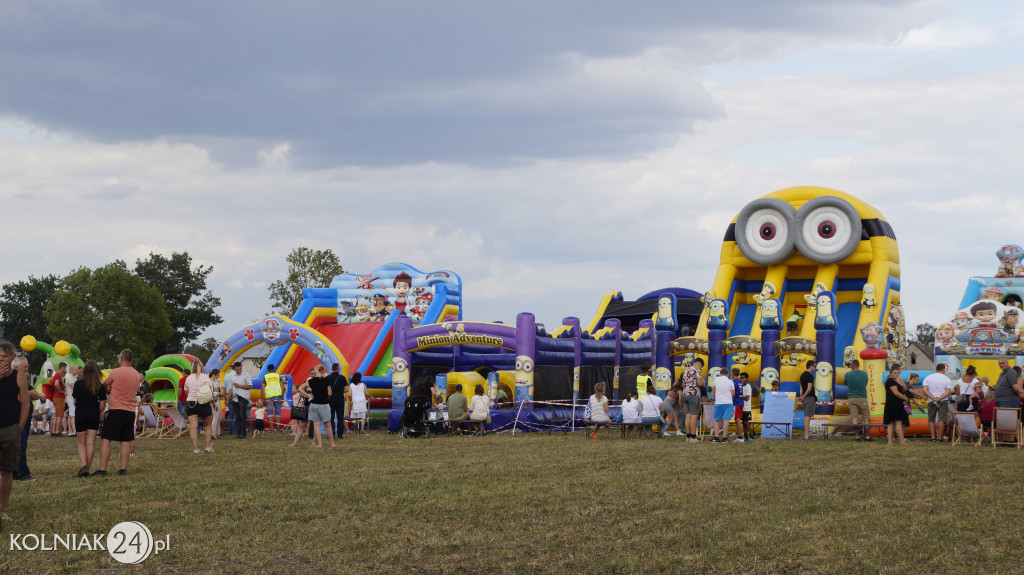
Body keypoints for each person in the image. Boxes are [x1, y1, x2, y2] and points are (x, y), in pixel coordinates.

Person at [95, 349, 141, 476]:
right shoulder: (137, 374)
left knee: (106, 438)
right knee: (125, 440)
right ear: (131, 359)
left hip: (116, 409)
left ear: (121, 358)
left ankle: (103, 469)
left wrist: (109, 388)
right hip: (130, 410)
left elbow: (105, 385)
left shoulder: (115, 372)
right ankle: (123, 469)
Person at [0, 341, 31, 522]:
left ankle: (2, 510)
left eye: (4, 357)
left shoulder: (19, 376)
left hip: (10, 428)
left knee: (7, 472)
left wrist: (19, 427)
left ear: (12, 358)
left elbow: (25, 403)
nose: (1, 360)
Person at [72, 360, 107, 477]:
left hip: (81, 413)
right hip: (93, 414)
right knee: (91, 443)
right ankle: (87, 468)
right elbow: (103, 404)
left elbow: (75, 401)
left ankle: (83, 467)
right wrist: (97, 412)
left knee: (81, 443)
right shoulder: (99, 385)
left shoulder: (78, 383)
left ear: (85, 370)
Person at [182, 360, 215, 454]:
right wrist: (214, 403)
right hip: (203, 402)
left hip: (191, 403)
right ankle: (208, 447)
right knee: (208, 425)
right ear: (201, 367)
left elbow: (186, 392)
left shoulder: (188, 378)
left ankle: (195, 449)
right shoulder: (205, 377)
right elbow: (209, 392)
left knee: (193, 426)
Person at [302, 365, 337, 448]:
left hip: (314, 404)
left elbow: (300, 388)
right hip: (324, 404)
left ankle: (319, 444)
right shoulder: (326, 380)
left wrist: (307, 395)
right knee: (328, 424)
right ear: (322, 371)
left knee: (316, 425)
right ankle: (332, 443)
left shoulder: (311, 381)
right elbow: (330, 393)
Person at [923, 363, 953, 442]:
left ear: (936, 369)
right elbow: (947, 391)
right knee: (942, 419)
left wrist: (933, 397)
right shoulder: (946, 379)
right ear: (944, 370)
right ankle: (940, 438)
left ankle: (933, 437)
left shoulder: (928, 378)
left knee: (931, 419)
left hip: (931, 400)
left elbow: (925, 389)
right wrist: (939, 398)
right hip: (943, 400)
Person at [845, 360, 871, 441]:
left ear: (853, 365)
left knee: (854, 418)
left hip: (852, 398)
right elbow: (866, 383)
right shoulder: (864, 373)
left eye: (850, 365)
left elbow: (846, 383)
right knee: (866, 418)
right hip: (862, 397)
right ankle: (867, 436)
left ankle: (857, 436)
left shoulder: (848, 374)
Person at [883, 366, 910, 445]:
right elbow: (896, 393)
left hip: (891, 404)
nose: (896, 374)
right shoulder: (891, 381)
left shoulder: (892, 381)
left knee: (891, 423)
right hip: (894, 404)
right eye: (894, 373)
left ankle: (890, 441)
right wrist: (905, 398)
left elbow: (903, 389)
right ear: (890, 373)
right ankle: (901, 441)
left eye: (897, 373)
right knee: (898, 423)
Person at [680, 357, 705, 442]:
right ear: (699, 364)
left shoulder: (685, 371)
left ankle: (688, 436)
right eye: (700, 366)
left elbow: (683, 385)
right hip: (693, 394)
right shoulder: (697, 370)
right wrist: (703, 384)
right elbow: (699, 383)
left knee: (688, 416)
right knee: (694, 415)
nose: (700, 368)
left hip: (685, 394)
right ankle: (693, 437)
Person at [230, 362, 253, 439]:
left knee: (242, 416)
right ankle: (238, 433)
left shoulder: (246, 375)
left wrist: (240, 386)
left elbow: (250, 386)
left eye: (240, 369)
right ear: (234, 369)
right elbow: (231, 388)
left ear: (241, 367)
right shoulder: (233, 376)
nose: (238, 370)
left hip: (243, 398)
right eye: (237, 369)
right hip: (235, 398)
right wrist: (228, 398)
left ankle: (243, 434)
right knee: (238, 417)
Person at [326, 363, 348, 439]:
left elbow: (325, 389)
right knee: (340, 418)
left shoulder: (328, 378)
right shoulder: (342, 378)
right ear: (338, 369)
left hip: (331, 400)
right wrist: (341, 391)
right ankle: (340, 434)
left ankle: (331, 433)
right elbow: (346, 389)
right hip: (340, 400)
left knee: (331, 418)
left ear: (332, 369)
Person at [262, 363, 285, 432]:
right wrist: (282, 396)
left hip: (269, 396)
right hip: (278, 395)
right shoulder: (278, 376)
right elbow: (282, 386)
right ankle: (278, 428)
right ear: (273, 369)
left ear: (267, 370)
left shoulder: (265, 377)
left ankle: (271, 428)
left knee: (270, 412)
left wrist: (262, 398)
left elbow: (262, 388)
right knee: (278, 412)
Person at [289, 380, 310, 447]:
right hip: (304, 407)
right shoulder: (301, 392)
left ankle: (313, 440)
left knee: (313, 423)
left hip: (306, 408)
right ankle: (295, 441)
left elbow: (302, 401)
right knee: (300, 424)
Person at [799, 360, 816, 440]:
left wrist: (802, 396)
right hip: (809, 398)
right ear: (811, 366)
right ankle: (807, 435)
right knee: (807, 417)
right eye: (814, 366)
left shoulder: (802, 375)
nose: (814, 368)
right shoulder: (809, 375)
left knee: (806, 416)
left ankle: (807, 434)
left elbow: (801, 387)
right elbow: (809, 389)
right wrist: (804, 396)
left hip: (805, 398)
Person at [65, 364, 79, 437]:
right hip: (71, 398)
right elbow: (74, 387)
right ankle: (74, 431)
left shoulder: (72, 377)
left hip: (71, 398)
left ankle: (70, 431)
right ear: (72, 370)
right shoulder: (69, 377)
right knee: (73, 415)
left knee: (71, 415)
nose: (77, 371)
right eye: (76, 370)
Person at [731, 368, 745, 442]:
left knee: (737, 419)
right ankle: (740, 436)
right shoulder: (740, 382)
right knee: (738, 419)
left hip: (736, 402)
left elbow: (732, 392)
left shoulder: (733, 382)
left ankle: (740, 437)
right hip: (741, 402)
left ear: (732, 374)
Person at [740, 372, 754, 441]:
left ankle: (751, 436)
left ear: (746, 378)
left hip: (746, 408)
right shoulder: (741, 386)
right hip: (742, 407)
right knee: (743, 422)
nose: (741, 379)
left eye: (742, 377)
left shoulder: (748, 387)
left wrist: (740, 396)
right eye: (740, 378)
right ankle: (745, 436)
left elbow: (747, 398)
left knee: (746, 422)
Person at [209, 369, 222, 439]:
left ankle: (216, 432)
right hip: (214, 401)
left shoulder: (215, 381)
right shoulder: (210, 382)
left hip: (218, 399)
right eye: (217, 375)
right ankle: (213, 433)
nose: (218, 376)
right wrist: (218, 393)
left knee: (219, 417)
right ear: (214, 375)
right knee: (216, 417)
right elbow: (210, 392)